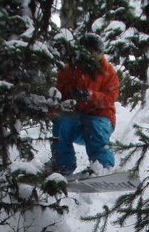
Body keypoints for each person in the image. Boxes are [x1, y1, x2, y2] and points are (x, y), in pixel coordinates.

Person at [51, 33, 119, 176]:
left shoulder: (109, 72)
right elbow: (57, 97)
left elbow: (110, 98)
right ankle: (63, 165)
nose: (96, 55)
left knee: (95, 127)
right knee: (61, 122)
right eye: (92, 52)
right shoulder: (68, 70)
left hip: (100, 118)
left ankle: (102, 167)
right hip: (75, 118)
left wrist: (90, 95)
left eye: (98, 52)